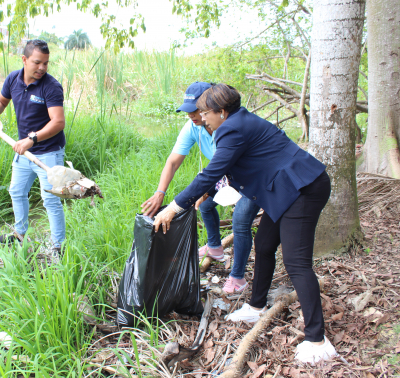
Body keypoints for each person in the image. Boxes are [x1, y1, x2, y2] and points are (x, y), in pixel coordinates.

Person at [152, 84, 337, 365]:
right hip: (284, 189)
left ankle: (317, 339)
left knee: (297, 262)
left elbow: (213, 171)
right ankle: (256, 305)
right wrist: (204, 194)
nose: (202, 118)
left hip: (303, 188)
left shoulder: (232, 128)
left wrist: (175, 206)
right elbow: (224, 171)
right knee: (263, 245)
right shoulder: (238, 121)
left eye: (205, 113)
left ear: (222, 112)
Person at [141, 82, 260, 293]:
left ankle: (238, 277)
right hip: (226, 175)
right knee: (205, 207)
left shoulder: (230, 126)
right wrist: (160, 192)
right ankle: (215, 248)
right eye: (188, 111)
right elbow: (173, 162)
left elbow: (224, 164)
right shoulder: (192, 127)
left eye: (197, 110)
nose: (192, 116)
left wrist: (203, 191)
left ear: (211, 106)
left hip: (251, 176)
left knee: (240, 221)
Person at [0, 39, 66, 249]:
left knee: (50, 201)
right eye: (37, 62)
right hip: (24, 151)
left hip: (48, 152)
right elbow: (1, 101)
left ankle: (58, 247)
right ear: (24, 60)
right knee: (17, 192)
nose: (42, 68)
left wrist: (32, 139)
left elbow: (58, 122)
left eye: (45, 63)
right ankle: (20, 234)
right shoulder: (13, 79)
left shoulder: (51, 86)